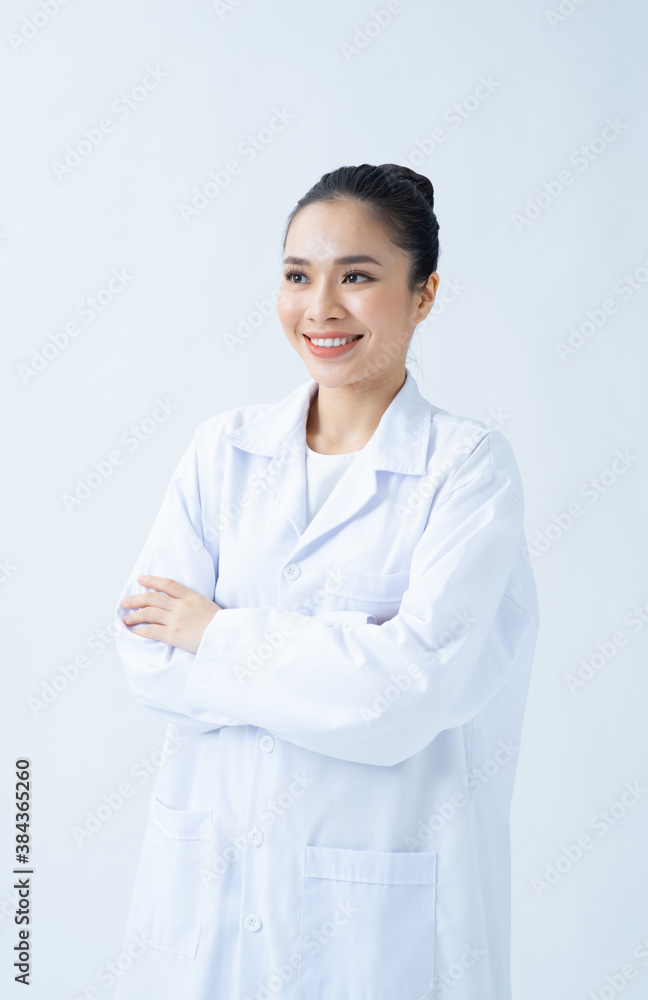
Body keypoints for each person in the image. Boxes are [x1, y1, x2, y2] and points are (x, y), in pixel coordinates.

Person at [111, 163, 539, 1000]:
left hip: (380, 920)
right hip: (212, 896)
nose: (321, 308)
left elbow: (404, 698)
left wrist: (216, 631)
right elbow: (146, 662)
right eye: (298, 276)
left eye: (358, 277)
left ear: (423, 295)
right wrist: (336, 667)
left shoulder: (466, 471)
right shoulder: (221, 452)